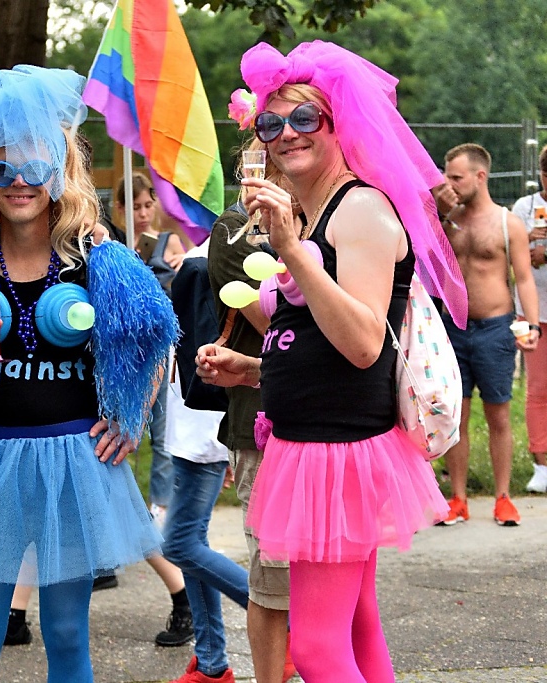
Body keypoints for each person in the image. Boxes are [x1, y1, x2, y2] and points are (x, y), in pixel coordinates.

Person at [197, 41, 460, 683]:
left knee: (314, 650)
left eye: (305, 119)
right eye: (271, 123)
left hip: (337, 455)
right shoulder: (318, 214)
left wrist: (292, 248)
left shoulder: (361, 209)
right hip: (314, 443)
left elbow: (366, 343)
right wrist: (255, 369)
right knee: (359, 625)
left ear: (339, 123)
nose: (286, 134)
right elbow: (324, 348)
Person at [0, 65, 170, 683]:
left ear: (60, 171)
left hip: (75, 462)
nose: (19, 181)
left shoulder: (93, 257)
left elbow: (155, 338)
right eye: (3, 167)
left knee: (69, 632)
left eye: (35, 166)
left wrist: (132, 416)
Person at [206, 183, 296, 682]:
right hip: (263, 423)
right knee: (272, 580)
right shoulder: (236, 227)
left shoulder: (339, 215)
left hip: (335, 427)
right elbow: (277, 326)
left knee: (327, 577)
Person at [435, 143, 538, 525]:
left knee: (498, 415)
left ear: (481, 176)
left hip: (495, 328)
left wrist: (532, 324)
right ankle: (458, 499)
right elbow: (424, 258)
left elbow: (524, 278)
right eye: (447, 175)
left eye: (456, 177)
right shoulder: (448, 221)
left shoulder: (508, 223)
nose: (449, 183)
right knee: (454, 417)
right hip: (453, 327)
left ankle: (503, 497)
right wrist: (440, 214)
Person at [111, 171, 194, 647]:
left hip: (153, 369)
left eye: (148, 205)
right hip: (110, 373)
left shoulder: (167, 247)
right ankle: (14, 614)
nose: (142, 213)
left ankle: (183, 589)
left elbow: (164, 321)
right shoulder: (110, 246)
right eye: (134, 205)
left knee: (149, 452)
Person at [162, 240, 250, 683]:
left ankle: (281, 618)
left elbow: (205, 353)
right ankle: (213, 662)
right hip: (190, 428)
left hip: (202, 429)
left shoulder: (202, 264)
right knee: (192, 545)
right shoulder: (201, 258)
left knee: (177, 544)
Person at [510, 144, 547, 493]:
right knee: (537, 389)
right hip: (531, 312)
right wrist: (528, 246)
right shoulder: (525, 207)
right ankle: (541, 465)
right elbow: (511, 260)